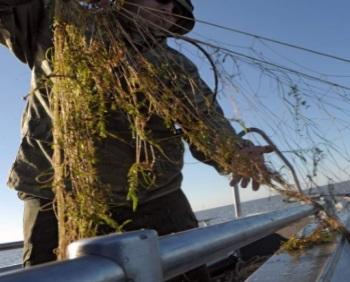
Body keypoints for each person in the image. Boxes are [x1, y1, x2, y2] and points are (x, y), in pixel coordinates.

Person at [0, 0, 271, 277]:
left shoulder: (175, 67)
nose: (169, 11)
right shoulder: (56, 22)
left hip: (156, 197)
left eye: (177, 11)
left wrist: (234, 153)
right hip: (53, 197)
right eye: (163, 0)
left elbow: (206, 123)